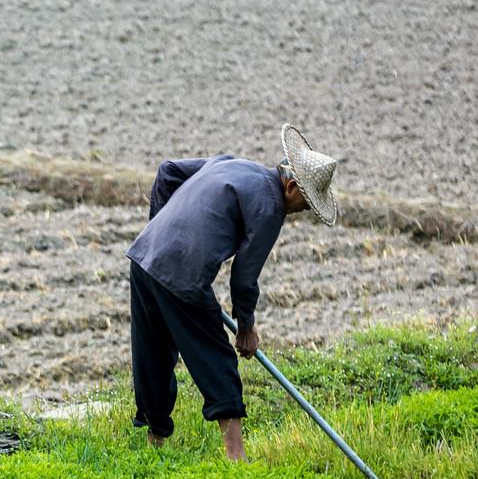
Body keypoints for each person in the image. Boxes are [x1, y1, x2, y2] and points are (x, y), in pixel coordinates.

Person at [124, 124, 340, 460]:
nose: (305, 211)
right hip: (183, 272)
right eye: (307, 203)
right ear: (293, 186)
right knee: (216, 355)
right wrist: (247, 328)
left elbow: (167, 172)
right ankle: (235, 455)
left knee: (152, 350)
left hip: (144, 257)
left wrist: (158, 231)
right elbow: (244, 276)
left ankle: (155, 442)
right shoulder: (271, 207)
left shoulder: (232, 163)